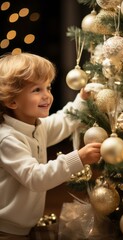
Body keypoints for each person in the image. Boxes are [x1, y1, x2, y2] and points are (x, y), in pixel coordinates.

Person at [0, 52, 101, 239]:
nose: (47, 96)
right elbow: (35, 178)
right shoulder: (7, 139)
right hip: (6, 230)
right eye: (36, 90)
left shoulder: (36, 125)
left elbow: (64, 121)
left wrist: (83, 99)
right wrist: (78, 158)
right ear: (11, 100)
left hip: (22, 227)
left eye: (48, 87)